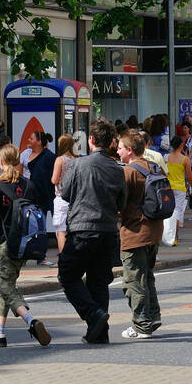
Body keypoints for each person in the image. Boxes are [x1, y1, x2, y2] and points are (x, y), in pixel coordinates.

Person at [58, 118, 127, 344]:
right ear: (110, 143)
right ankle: (100, 332)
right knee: (98, 281)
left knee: (68, 275)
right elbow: (122, 202)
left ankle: (93, 314)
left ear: (91, 140)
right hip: (107, 231)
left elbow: (66, 193)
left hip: (82, 228)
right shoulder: (117, 169)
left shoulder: (77, 165)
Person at [0, 144, 51, 348]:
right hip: (25, 244)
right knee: (5, 283)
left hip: (6, 244)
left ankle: (30, 321)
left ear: (1, 162)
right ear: (18, 162)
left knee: (4, 284)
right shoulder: (28, 185)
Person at [116, 128, 165, 339]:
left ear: (128, 149)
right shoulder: (154, 167)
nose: (117, 152)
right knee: (148, 276)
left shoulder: (128, 172)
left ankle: (141, 325)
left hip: (135, 232)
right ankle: (153, 316)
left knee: (134, 280)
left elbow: (119, 203)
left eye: (119, 148)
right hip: (154, 230)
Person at [162, 136, 192, 246]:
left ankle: (167, 234)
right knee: (177, 211)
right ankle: (174, 236)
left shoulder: (165, 157)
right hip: (180, 188)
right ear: (181, 145)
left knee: (168, 211)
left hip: (168, 187)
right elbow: (189, 177)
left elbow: (163, 172)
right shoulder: (185, 159)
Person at [51, 134, 77, 253]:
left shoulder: (60, 160)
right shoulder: (77, 159)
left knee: (61, 230)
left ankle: (63, 257)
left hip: (61, 198)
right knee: (73, 230)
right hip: (75, 199)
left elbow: (54, 180)